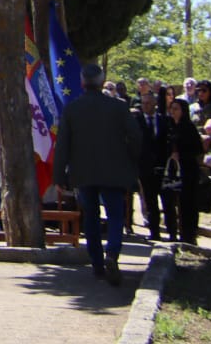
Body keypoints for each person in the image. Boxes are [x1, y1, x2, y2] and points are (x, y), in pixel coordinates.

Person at [53, 63, 141, 285]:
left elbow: (62, 145)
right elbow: (136, 138)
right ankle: (112, 252)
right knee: (115, 215)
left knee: (90, 217)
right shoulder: (119, 107)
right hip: (114, 170)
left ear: (82, 83)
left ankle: (97, 262)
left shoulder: (72, 109)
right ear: (103, 82)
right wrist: (132, 162)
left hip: (84, 171)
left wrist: (59, 176)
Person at [135, 86, 172, 241]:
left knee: (168, 202)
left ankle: (172, 232)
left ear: (155, 104)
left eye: (149, 103)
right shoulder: (136, 121)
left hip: (162, 167)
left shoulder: (164, 120)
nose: (146, 106)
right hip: (145, 168)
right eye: (144, 104)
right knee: (150, 202)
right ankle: (154, 232)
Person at [166, 96, 203, 246]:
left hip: (188, 170)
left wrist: (181, 155)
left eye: (176, 109)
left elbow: (197, 150)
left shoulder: (188, 127)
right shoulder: (169, 126)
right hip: (172, 170)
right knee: (171, 202)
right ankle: (174, 232)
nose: (173, 112)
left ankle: (189, 234)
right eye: (172, 109)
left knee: (188, 202)